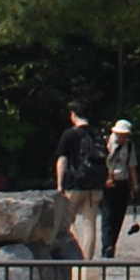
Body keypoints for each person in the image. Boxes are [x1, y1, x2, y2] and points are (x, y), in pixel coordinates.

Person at [54, 105, 103, 258]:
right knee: (90, 224)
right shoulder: (96, 133)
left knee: (67, 221)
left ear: (74, 115)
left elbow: (62, 160)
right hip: (94, 186)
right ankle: (87, 261)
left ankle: (73, 255)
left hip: (74, 185)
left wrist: (59, 184)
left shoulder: (69, 134)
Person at [98, 117, 140, 256]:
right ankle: (106, 246)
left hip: (123, 182)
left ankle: (112, 245)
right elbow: (102, 162)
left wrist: (135, 184)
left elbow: (131, 165)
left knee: (118, 216)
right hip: (108, 183)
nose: (123, 137)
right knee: (108, 215)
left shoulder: (129, 145)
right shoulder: (106, 143)